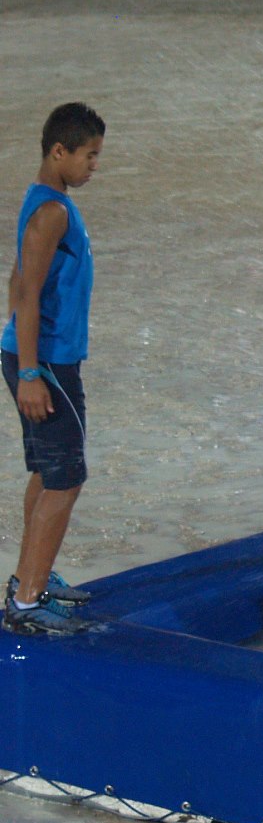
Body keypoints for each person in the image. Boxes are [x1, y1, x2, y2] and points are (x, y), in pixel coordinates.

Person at [4, 104, 107, 635]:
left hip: (37, 358)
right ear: (58, 151)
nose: (95, 167)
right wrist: (28, 373)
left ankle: (30, 577)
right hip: (45, 364)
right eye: (89, 156)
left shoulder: (44, 200)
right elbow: (29, 294)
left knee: (47, 472)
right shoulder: (53, 214)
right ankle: (26, 603)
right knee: (67, 479)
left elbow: (16, 280)